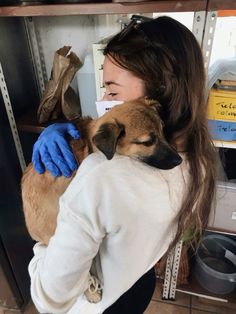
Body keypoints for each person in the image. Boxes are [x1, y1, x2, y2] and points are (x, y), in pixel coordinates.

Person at [28, 16, 216, 314]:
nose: (103, 99)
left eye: (112, 91)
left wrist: (43, 244)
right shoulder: (198, 157)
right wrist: (77, 127)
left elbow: (50, 298)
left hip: (99, 305)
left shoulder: (100, 178)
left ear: (160, 93)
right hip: (139, 285)